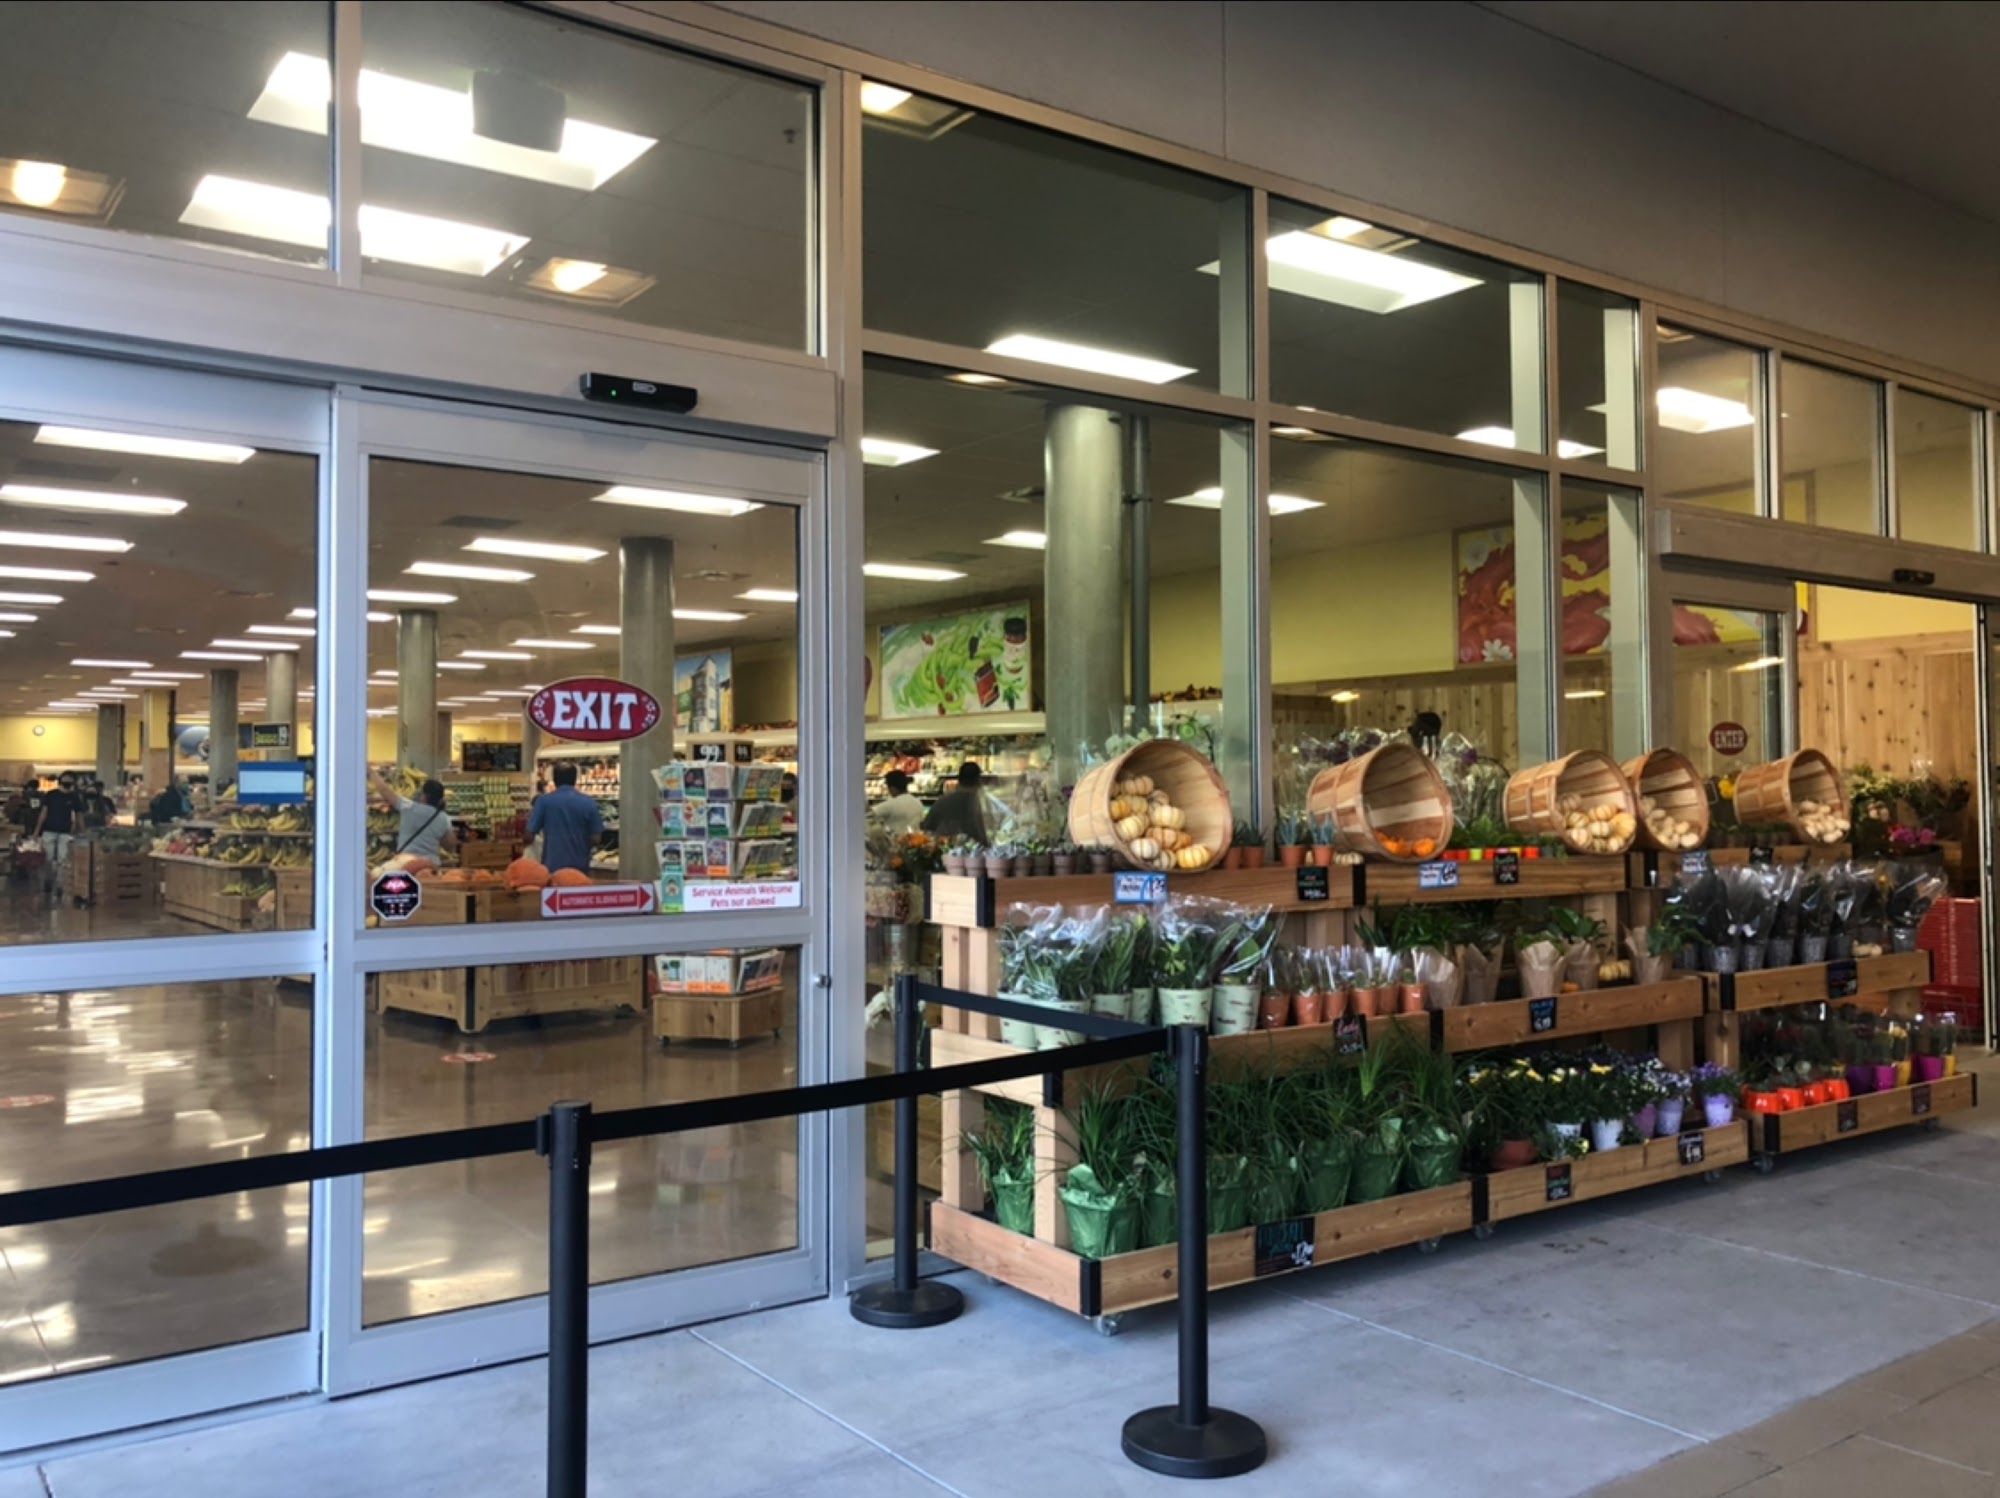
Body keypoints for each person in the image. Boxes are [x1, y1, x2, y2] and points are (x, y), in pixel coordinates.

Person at [527, 762, 604, 875]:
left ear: (554, 779)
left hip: (552, 866)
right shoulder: (589, 803)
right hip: (580, 866)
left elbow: (529, 835)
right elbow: (596, 838)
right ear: (575, 779)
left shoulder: (543, 802)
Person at [370, 768, 456, 867]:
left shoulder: (409, 807)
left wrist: (371, 773)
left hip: (406, 862)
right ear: (441, 799)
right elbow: (451, 845)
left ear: (424, 795)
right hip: (430, 864)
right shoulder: (443, 818)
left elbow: (384, 790)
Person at [32, 772, 82, 894]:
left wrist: (81, 831)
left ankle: (60, 885)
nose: (67, 782)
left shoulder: (74, 797)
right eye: (66, 779)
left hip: (65, 832)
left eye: (70, 780)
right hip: (49, 830)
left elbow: (78, 815)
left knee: (62, 860)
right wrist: (37, 831)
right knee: (47, 859)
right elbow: (43, 813)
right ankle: (48, 881)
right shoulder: (51, 795)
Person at [922, 762, 990, 845]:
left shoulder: (943, 801)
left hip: (946, 848)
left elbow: (927, 827)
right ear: (978, 781)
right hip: (977, 850)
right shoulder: (983, 803)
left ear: (959, 779)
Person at [871, 769, 927, 836]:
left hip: (896, 840)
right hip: (915, 840)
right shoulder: (918, 803)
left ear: (892, 788)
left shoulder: (890, 805)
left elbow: (868, 815)